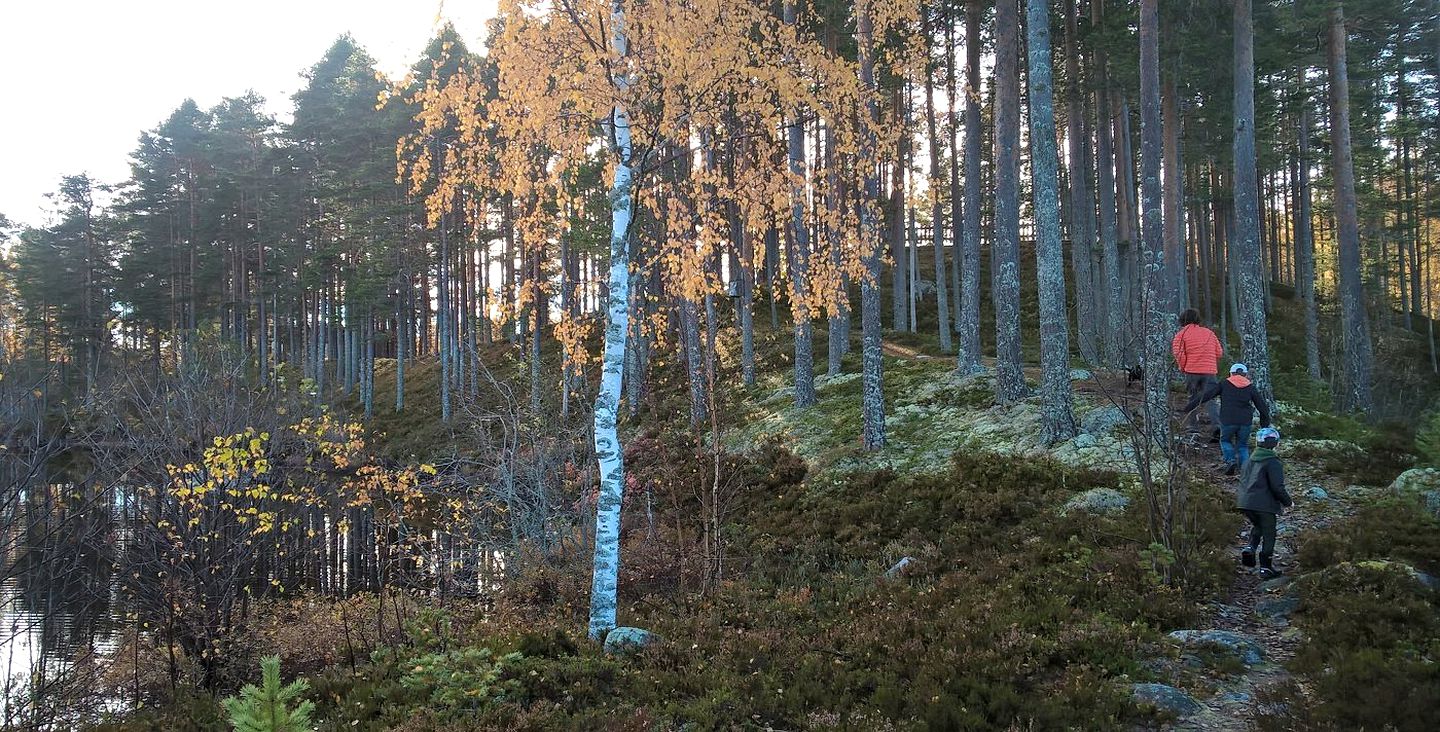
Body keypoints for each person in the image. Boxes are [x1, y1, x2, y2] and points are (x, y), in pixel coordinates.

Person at [1183, 362, 1271, 475]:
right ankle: (1245, 469)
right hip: (1245, 422)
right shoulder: (1250, 387)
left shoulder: (1224, 384)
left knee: (1225, 441)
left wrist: (1189, 406)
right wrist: (1265, 423)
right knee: (1243, 445)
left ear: (1231, 373)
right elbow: (1262, 406)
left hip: (1228, 420)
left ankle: (1230, 461)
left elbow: (1207, 396)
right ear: (1245, 374)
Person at [1236, 427, 1291, 579]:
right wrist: (1288, 502)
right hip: (1263, 504)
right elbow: (1277, 487)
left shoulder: (1249, 460)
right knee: (1269, 533)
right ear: (1274, 444)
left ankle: (1250, 547)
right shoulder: (1272, 462)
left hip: (1245, 502)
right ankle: (1265, 568)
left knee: (1258, 526)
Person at [1171, 309, 1223, 433]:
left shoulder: (1181, 335)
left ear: (1182, 320)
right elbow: (1219, 352)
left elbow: (1179, 354)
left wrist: (1183, 367)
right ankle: (1217, 425)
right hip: (1210, 371)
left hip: (1192, 371)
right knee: (1211, 399)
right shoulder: (1209, 333)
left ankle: (1193, 426)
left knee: (1192, 398)